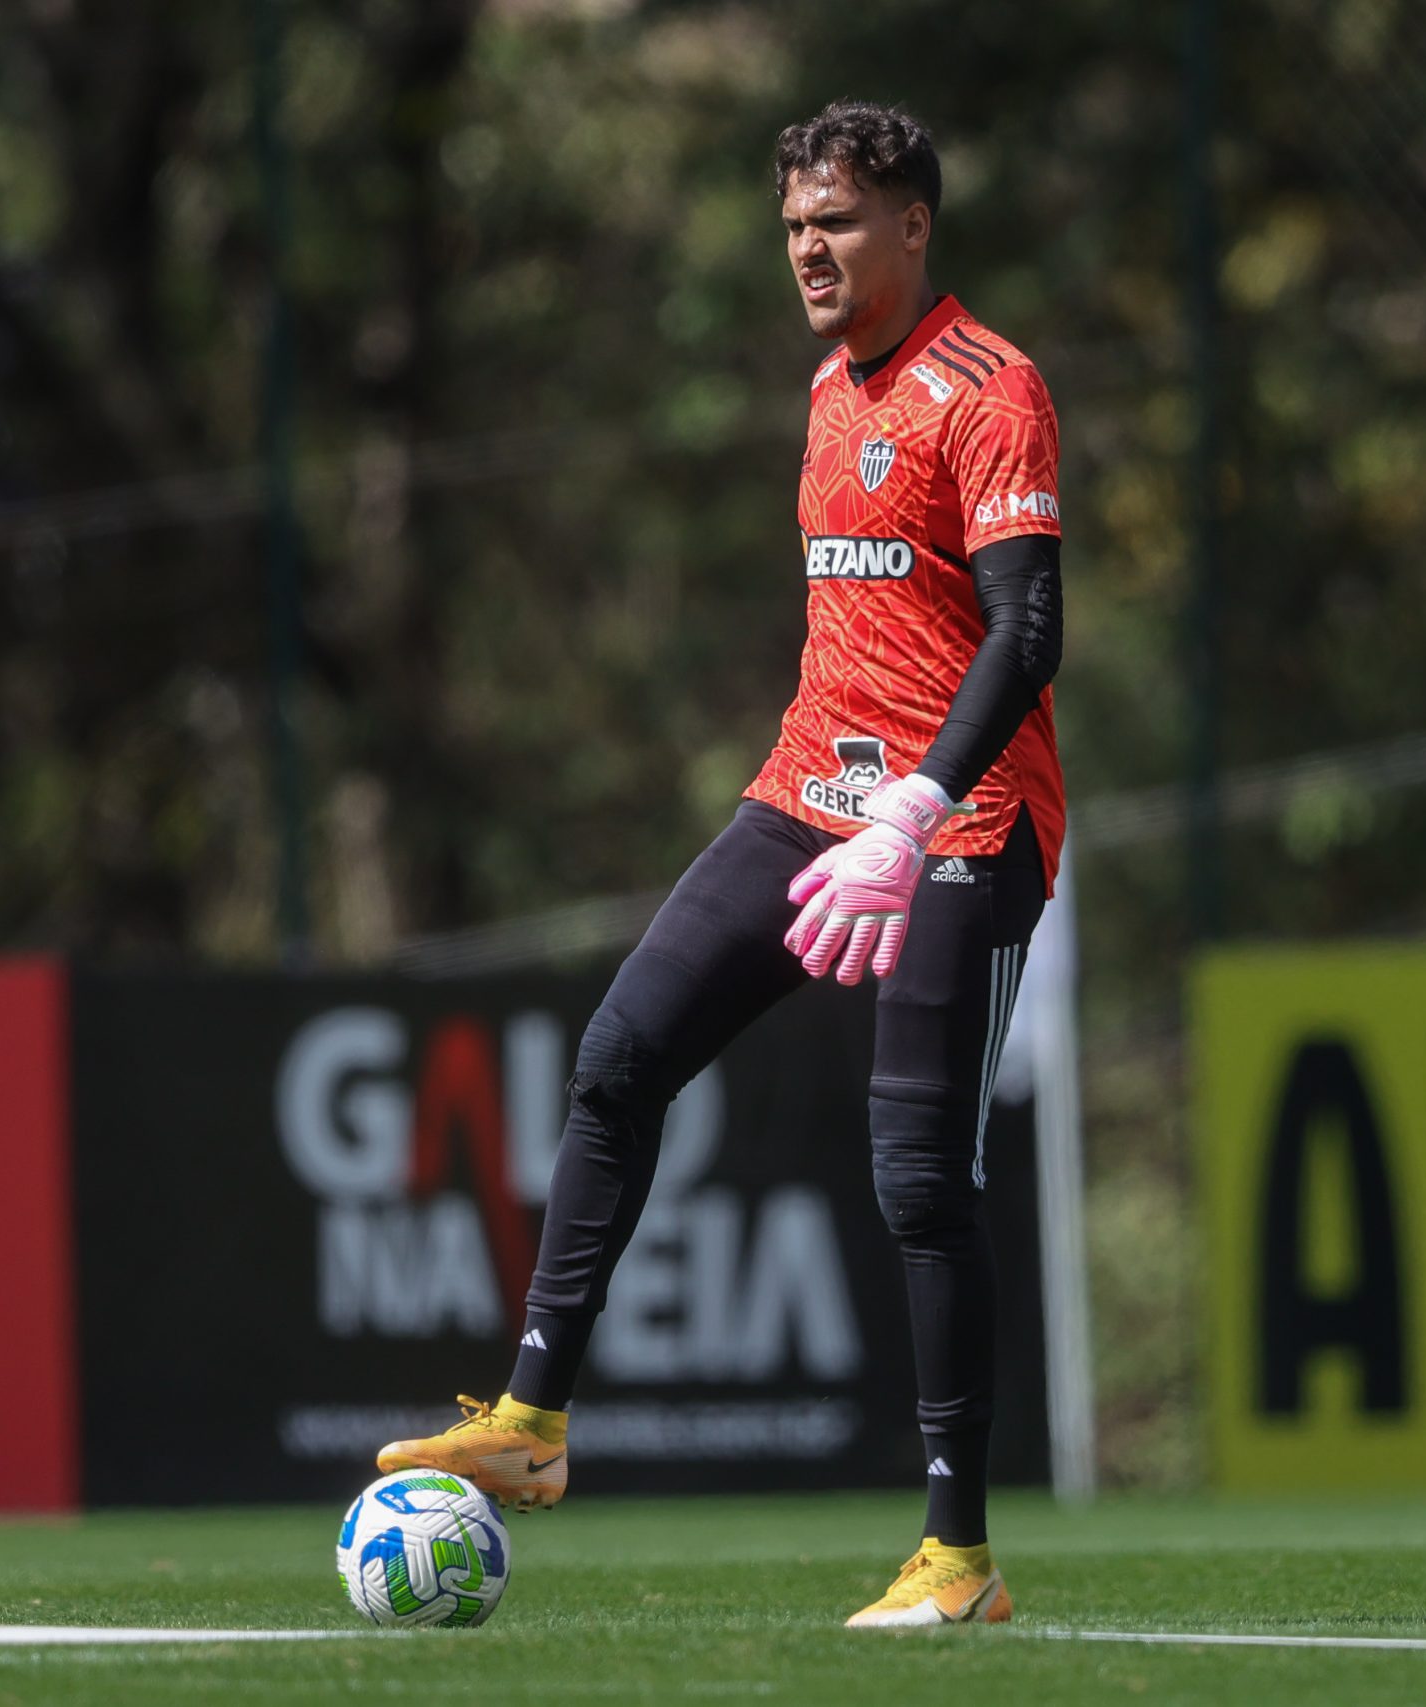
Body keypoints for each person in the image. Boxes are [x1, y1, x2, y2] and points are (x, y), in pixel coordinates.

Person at [377, 98, 1065, 1630]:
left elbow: (1030, 632)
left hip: (964, 826)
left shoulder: (990, 387)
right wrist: (855, 798)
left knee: (919, 1181)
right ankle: (536, 1424)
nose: (809, 250)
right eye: (794, 227)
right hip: (809, 794)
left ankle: (959, 1557)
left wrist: (920, 806)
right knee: (620, 1057)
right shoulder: (830, 390)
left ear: (912, 226)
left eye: (836, 221)